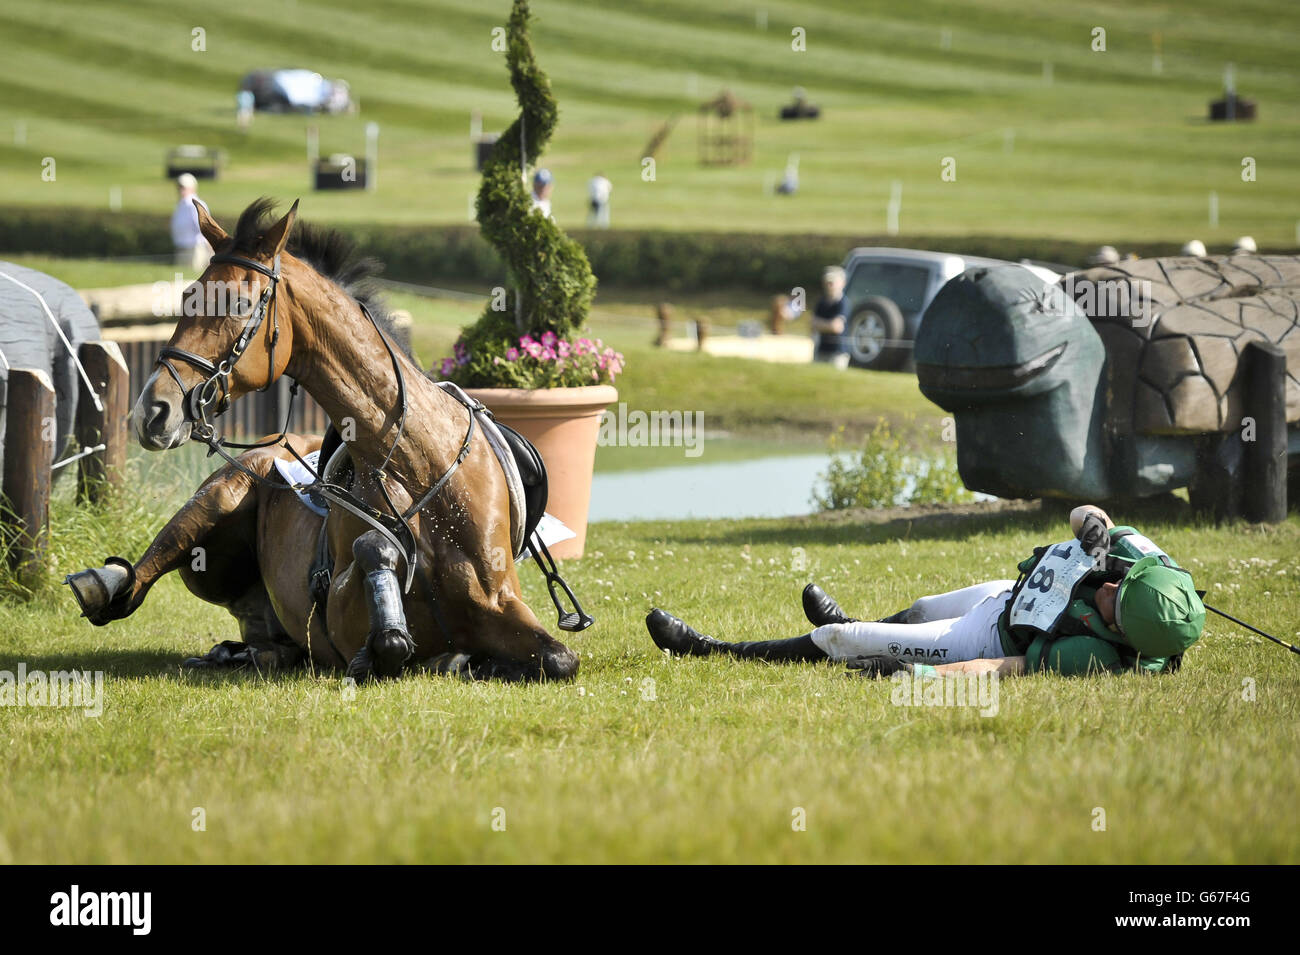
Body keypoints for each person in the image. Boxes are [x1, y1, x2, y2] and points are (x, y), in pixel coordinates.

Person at [645, 505, 1205, 678]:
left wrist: (921, 678)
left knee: (844, 637)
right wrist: (1094, 530)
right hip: (1010, 594)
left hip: (987, 637)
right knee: (914, 611)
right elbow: (1087, 513)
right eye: (1118, 578)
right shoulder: (1144, 564)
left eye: (1113, 597)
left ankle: (711, 649)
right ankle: (873, 630)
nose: (1107, 585)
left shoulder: (1095, 655)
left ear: (1121, 631)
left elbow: (1002, 671)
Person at [810, 265, 850, 369]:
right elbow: (812, 324)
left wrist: (821, 324)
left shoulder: (843, 303)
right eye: (828, 282)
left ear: (842, 283)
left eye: (833, 282)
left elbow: (836, 327)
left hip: (838, 353)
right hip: (821, 350)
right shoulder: (821, 302)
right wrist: (828, 325)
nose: (829, 285)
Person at [170, 173, 211, 271]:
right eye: (179, 187)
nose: (180, 190)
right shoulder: (181, 204)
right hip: (181, 247)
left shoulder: (195, 204)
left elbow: (204, 228)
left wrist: (210, 249)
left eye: (183, 187)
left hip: (195, 248)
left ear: (192, 188)